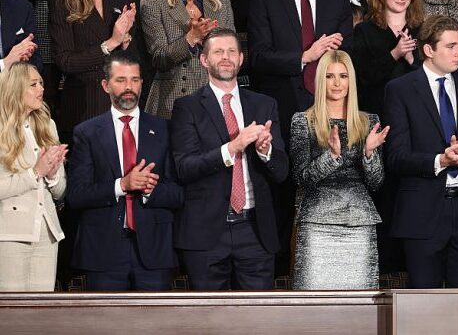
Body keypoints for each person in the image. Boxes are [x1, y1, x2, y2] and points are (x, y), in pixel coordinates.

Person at [248, 0, 352, 276]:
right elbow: (258, 57)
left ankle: (321, 267)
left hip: (325, 110)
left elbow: (345, 57)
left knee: (324, 189)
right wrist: (305, 56)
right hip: (280, 106)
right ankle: (276, 271)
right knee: (278, 189)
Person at [385, 15, 458, 288]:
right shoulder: (400, 90)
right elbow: (396, 156)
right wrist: (441, 160)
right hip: (422, 214)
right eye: (451, 46)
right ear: (429, 50)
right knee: (424, 310)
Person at [171, 28, 288, 290]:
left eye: (232, 51)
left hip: (255, 231)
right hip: (206, 233)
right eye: (219, 52)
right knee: (209, 322)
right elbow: (184, 168)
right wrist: (232, 148)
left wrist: (264, 151)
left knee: (258, 321)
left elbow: (281, 171)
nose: (226, 57)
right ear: (204, 60)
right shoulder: (186, 107)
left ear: (241, 59)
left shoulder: (264, 104)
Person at [67, 51, 184, 291]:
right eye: (120, 80)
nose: (128, 87)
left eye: (134, 80)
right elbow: (76, 195)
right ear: (105, 85)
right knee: (105, 326)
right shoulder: (86, 133)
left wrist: (151, 190)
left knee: (155, 326)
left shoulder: (165, 130)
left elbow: (180, 193)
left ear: (142, 83)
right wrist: (122, 185)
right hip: (103, 250)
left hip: (155, 250)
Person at [290, 50, 388, 289]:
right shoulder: (303, 121)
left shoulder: (370, 122)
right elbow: (301, 178)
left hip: (359, 223)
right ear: (320, 80)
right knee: (314, 308)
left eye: (343, 76)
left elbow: (376, 183)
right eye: (330, 76)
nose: (336, 83)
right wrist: (332, 157)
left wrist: (369, 153)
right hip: (317, 224)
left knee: (359, 308)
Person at [49, 0, 136, 140]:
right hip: (83, 106)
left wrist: (124, 44)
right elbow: (66, 61)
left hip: (119, 106)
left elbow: (133, 59)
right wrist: (111, 42)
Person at [140, 0, 235, 120]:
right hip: (172, 102)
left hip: (214, 99)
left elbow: (231, 52)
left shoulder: (221, 0)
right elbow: (159, 58)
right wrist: (191, 38)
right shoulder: (152, 1)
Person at [0, 62, 67, 291]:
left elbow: (60, 192)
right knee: (11, 315)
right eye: (33, 84)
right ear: (15, 88)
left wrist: (53, 174)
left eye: (41, 83)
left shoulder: (48, 125)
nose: (41, 89)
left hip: (47, 234)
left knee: (41, 315)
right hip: (9, 234)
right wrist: (36, 172)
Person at [352, 0, 424, 122]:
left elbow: (433, 78)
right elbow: (362, 78)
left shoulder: (423, 30)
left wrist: (412, 60)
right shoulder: (364, 31)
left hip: (416, 115)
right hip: (377, 115)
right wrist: (394, 54)